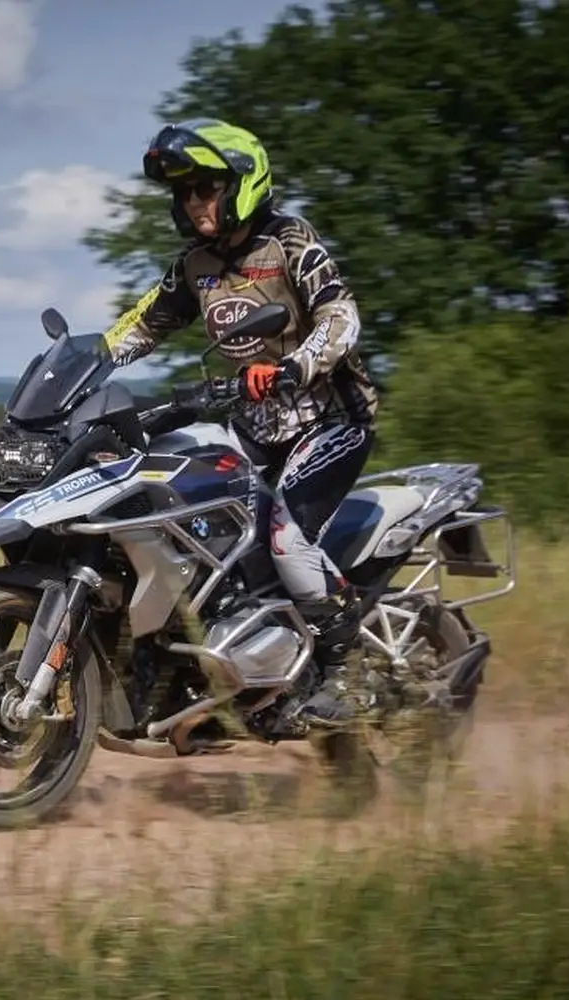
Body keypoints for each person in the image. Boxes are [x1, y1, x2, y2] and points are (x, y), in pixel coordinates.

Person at [102, 117, 380, 727]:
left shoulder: (289, 242)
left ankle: (349, 669)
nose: (194, 202)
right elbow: (143, 324)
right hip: (256, 428)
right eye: (184, 192)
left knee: (285, 536)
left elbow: (342, 316)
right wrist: (89, 361)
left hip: (329, 421)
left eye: (206, 187)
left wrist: (297, 365)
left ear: (242, 182)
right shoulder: (197, 263)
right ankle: (192, 669)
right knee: (179, 516)